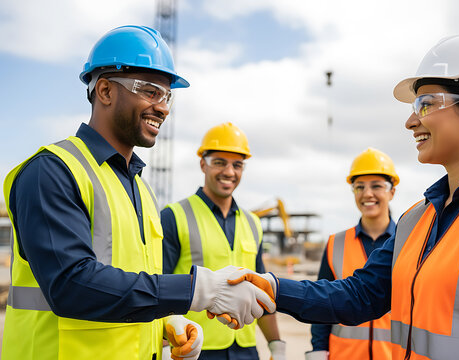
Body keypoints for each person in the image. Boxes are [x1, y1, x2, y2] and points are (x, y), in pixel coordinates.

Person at [223, 34, 459, 359]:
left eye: (426, 104)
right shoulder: (416, 220)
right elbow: (359, 295)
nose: (410, 121)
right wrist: (272, 287)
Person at [1, 25, 274, 360]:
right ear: (104, 91)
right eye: (149, 91)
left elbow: (134, 283)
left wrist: (165, 325)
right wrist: (196, 289)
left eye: (166, 96)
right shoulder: (52, 171)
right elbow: (71, 286)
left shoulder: (140, 188)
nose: (163, 108)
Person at [161, 122, 286, 360]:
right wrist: (166, 342)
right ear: (203, 164)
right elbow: (158, 286)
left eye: (237, 165)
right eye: (220, 162)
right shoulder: (174, 216)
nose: (229, 171)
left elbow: (263, 291)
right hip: (194, 349)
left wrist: (276, 345)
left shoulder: (252, 223)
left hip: (246, 350)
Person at [306, 148, 399, 360]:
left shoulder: (409, 241)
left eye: (377, 186)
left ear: (392, 191)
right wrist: (318, 352)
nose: (367, 194)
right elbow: (322, 304)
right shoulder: (335, 244)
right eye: (359, 187)